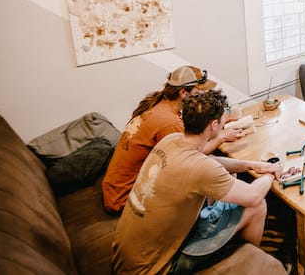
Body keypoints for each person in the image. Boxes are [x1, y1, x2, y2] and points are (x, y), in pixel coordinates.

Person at [112, 90, 283, 274]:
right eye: (223, 119)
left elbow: (209, 163)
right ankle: (247, 259)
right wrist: (271, 173)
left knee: (229, 181)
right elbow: (254, 195)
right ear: (214, 124)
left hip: (123, 256)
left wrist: (252, 165)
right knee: (258, 205)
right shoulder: (199, 168)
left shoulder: (171, 140)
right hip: (153, 269)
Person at [102, 65, 244, 213]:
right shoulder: (170, 123)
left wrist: (216, 124)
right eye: (198, 92)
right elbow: (196, 154)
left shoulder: (159, 105)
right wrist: (222, 136)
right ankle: (216, 216)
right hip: (124, 198)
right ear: (183, 92)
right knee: (212, 167)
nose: (202, 97)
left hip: (113, 189)